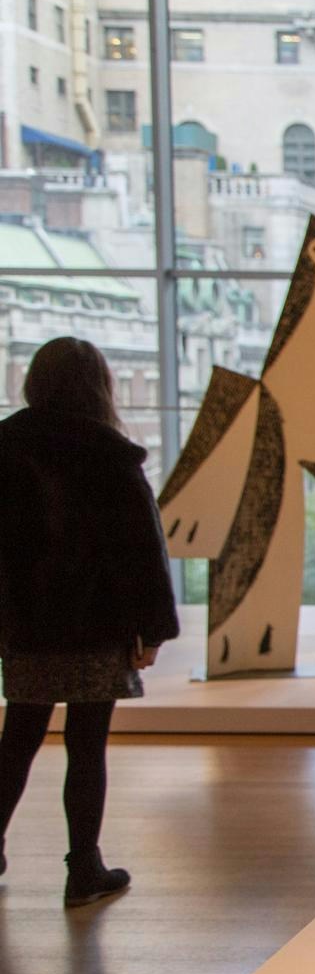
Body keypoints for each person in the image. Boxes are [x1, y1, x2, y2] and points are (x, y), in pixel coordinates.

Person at [0, 337, 179, 906]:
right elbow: (143, 552)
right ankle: (84, 869)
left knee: (18, 739)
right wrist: (152, 630)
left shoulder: (6, 447)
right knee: (86, 744)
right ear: (100, 386)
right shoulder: (112, 456)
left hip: (27, 625)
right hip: (97, 625)